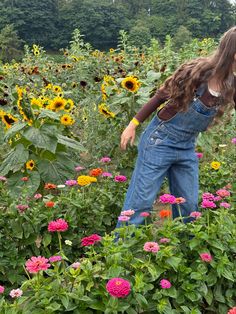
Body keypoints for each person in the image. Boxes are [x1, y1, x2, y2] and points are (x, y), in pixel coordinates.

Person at [116, 26, 236, 228]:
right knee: (140, 204)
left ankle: (186, 253)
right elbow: (160, 96)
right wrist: (133, 124)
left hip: (187, 146)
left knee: (188, 206)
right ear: (232, 54)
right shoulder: (196, 72)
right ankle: (119, 254)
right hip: (159, 142)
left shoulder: (232, 83)